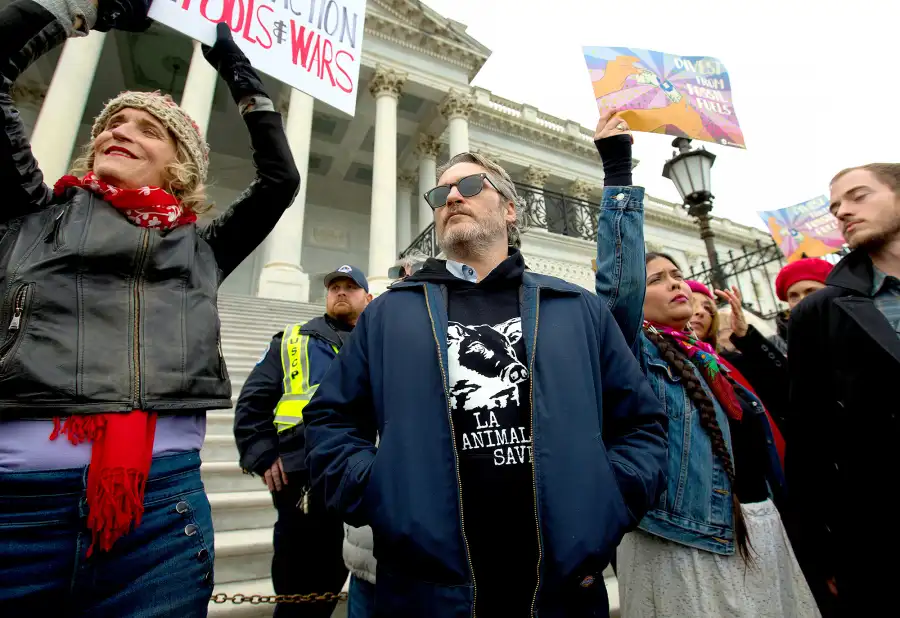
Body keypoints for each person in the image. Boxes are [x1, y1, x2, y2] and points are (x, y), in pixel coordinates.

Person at [0, 0, 300, 614]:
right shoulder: (32, 214)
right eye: (113, 123)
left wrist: (239, 72)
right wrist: (78, 9)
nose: (118, 131)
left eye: (146, 128)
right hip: (17, 510)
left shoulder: (200, 251)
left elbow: (279, 180)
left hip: (159, 515)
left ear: (179, 165)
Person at [303, 120, 669, 616]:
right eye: (442, 192)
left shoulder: (576, 308)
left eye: (471, 185)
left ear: (510, 208)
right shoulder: (389, 314)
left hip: (562, 587)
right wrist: (375, 491)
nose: (453, 197)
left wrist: (611, 496)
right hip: (426, 587)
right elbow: (331, 420)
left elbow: (641, 422)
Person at [591, 111, 817, 618]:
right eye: (657, 279)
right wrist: (619, 168)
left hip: (755, 524)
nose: (675, 284)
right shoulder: (631, 348)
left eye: (677, 275)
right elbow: (617, 284)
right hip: (690, 535)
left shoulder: (702, 356)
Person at [787, 163, 900, 615]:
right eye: (836, 206)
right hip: (882, 537)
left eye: (858, 196)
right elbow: (809, 439)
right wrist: (821, 550)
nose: (843, 213)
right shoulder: (819, 312)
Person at [234, 266, 372, 617]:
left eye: (351, 287)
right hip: (303, 478)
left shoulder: (379, 341)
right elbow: (254, 401)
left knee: (347, 578)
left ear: (368, 298)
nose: (341, 292)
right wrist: (262, 454)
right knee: (301, 587)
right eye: (335, 287)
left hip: (364, 474)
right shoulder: (293, 339)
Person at [767, 257, 834, 354]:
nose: (802, 301)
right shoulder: (774, 346)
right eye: (794, 296)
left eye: (811, 292)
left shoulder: (857, 327)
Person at [687, 280, 719, 348]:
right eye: (691, 304)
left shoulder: (726, 358)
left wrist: (742, 336)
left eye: (707, 308)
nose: (701, 311)